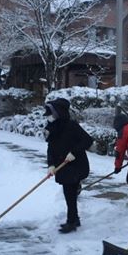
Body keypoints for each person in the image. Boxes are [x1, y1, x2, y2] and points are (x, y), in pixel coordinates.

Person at [44, 98, 93, 233]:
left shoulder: (72, 126)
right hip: (62, 166)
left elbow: (87, 140)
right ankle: (74, 219)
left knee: (70, 193)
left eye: (50, 113)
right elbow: (51, 147)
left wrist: (74, 152)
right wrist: (51, 165)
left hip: (75, 165)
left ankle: (71, 221)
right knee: (69, 194)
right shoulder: (53, 127)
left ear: (58, 112)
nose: (48, 116)